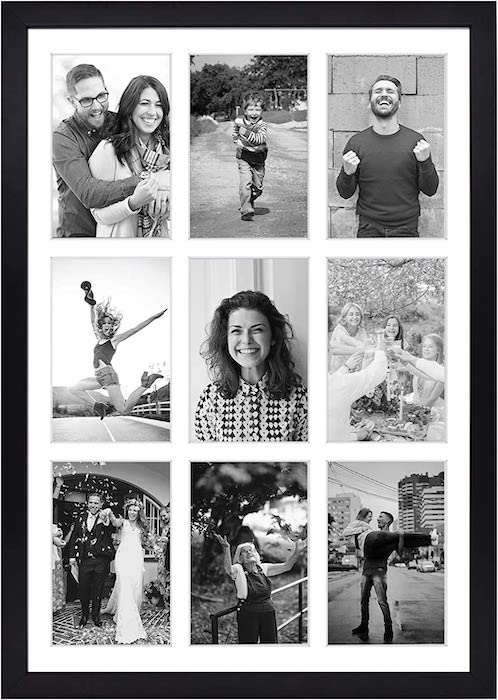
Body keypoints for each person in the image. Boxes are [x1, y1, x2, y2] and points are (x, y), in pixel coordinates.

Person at [53, 64, 169, 237]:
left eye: (101, 96)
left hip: (122, 228)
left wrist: (163, 188)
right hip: (79, 234)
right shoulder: (63, 138)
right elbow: (89, 193)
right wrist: (149, 181)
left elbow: (153, 148)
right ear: (72, 101)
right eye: (86, 100)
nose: (97, 106)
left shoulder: (119, 123)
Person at [194, 290, 307, 442]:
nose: (246, 340)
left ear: (273, 337)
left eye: (257, 330)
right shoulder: (210, 399)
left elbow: (305, 464)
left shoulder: (300, 398)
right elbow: (207, 464)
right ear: (225, 339)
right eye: (236, 331)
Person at [336, 75, 439, 238]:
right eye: (378, 91)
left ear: (399, 101)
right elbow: (344, 193)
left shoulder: (416, 141)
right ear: (370, 101)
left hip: (407, 229)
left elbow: (430, 190)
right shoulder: (356, 143)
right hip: (368, 228)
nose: (384, 94)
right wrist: (347, 173)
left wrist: (426, 163)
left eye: (390, 91)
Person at [69, 281, 165, 419]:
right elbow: (92, 321)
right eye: (105, 323)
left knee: (124, 410)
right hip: (99, 377)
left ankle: (145, 384)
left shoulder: (114, 340)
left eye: (110, 323)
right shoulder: (99, 338)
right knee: (73, 388)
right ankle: (98, 406)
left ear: (112, 326)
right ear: (101, 327)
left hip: (108, 376)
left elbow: (135, 329)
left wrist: (153, 317)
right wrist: (91, 305)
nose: (107, 325)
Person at [89, 75, 170, 237]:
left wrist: (167, 195)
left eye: (159, 105)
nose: (152, 112)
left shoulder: (165, 151)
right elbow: (98, 214)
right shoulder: (108, 150)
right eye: (144, 104)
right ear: (130, 107)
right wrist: (133, 203)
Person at [349, 511, 438, 642]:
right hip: (366, 571)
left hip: (379, 572)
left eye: (380, 517)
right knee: (364, 601)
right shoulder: (373, 535)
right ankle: (364, 626)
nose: (377, 519)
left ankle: (388, 627)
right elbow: (359, 544)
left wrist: (401, 537)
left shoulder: (392, 537)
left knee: (382, 601)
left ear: (388, 521)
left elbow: (400, 552)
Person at [213, 534, 306, 644]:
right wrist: (226, 548)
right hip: (248, 613)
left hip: (268, 611)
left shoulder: (263, 568)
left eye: (250, 550)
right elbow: (228, 570)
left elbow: (286, 566)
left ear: (255, 554)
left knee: (270, 644)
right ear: (240, 558)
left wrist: (297, 552)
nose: (248, 552)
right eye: (244, 551)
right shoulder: (238, 569)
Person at [102, 499, 150, 644]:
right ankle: (126, 621)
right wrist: (109, 513)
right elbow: (115, 522)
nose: (132, 512)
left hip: (136, 559)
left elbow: (146, 543)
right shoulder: (123, 522)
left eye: (135, 510)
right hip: (123, 558)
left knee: (134, 588)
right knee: (125, 588)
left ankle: (123, 612)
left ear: (139, 512)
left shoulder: (142, 527)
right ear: (127, 510)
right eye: (130, 509)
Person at [68, 493, 116, 627]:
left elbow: (112, 528)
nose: (93, 505)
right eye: (91, 502)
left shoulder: (105, 517)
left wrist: (107, 518)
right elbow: (74, 537)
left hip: (101, 560)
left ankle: (95, 616)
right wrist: (72, 556)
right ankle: (84, 615)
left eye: (96, 503)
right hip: (84, 561)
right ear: (87, 503)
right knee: (83, 589)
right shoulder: (80, 517)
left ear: (101, 504)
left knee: (98, 590)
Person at [328, 349, 388, 441]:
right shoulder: (338, 385)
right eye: (329, 349)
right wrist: (380, 350)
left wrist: (346, 368)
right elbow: (377, 373)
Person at [232, 93, 268, 221]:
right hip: (244, 157)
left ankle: (249, 198)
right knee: (245, 183)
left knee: (257, 188)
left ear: (261, 111)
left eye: (257, 109)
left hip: (258, 158)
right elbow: (235, 129)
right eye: (251, 109)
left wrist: (246, 132)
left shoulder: (261, 125)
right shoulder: (239, 121)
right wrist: (236, 139)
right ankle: (246, 210)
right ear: (245, 111)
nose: (254, 113)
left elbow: (260, 139)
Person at [400, 334, 444, 407]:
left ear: (438, 350)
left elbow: (432, 400)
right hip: (415, 407)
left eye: (430, 347)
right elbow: (417, 373)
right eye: (424, 346)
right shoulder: (419, 366)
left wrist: (418, 412)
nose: (426, 349)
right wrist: (405, 363)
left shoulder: (440, 371)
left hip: (432, 411)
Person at [329, 303, 369, 373]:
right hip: (339, 370)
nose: (355, 317)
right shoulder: (339, 330)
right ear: (344, 317)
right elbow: (352, 342)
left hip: (355, 370)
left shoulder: (361, 331)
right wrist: (361, 349)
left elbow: (366, 346)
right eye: (351, 314)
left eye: (357, 314)